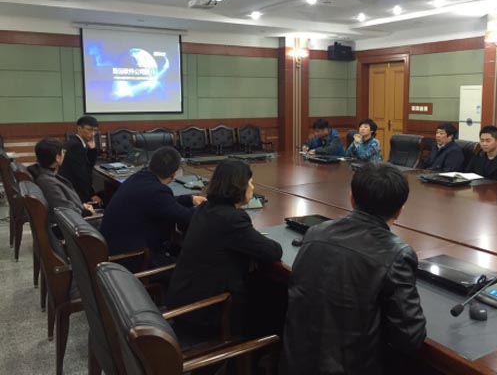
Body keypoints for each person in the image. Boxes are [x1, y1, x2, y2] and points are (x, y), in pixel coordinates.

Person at [283, 162, 427, 375]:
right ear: (399, 211)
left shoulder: (315, 232)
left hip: (295, 362)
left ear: (351, 198)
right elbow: (410, 337)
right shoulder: (397, 254)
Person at [166, 159, 282, 336]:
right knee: (274, 303)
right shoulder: (232, 219)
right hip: (207, 312)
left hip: (184, 300)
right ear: (239, 186)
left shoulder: (204, 208)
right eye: (250, 182)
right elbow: (273, 252)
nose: (252, 187)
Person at [100, 146, 205, 270]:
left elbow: (164, 204)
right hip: (133, 259)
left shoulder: (138, 177)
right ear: (174, 174)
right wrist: (206, 209)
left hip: (113, 251)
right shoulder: (157, 192)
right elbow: (187, 218)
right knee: (194, 268)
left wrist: (190, 199)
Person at [32, 138, 95, 223]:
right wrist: (87, 212)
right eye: (63, 152)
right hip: (77, 225)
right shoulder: (47, 182)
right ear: (57, 158)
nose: (64, 154)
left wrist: (81, 206)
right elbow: (64, 211)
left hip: (77, 215)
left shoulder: (47, 175)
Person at [58, 115, 103, 205]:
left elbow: (87, 166)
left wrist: (92, 150)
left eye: (95, 130)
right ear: (79, 128)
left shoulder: (76, 142)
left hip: (72, 189)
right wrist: (91, 194)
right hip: (75, 193)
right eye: (89, 129)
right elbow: (82, 175)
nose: (92, 134)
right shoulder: (76, 146)